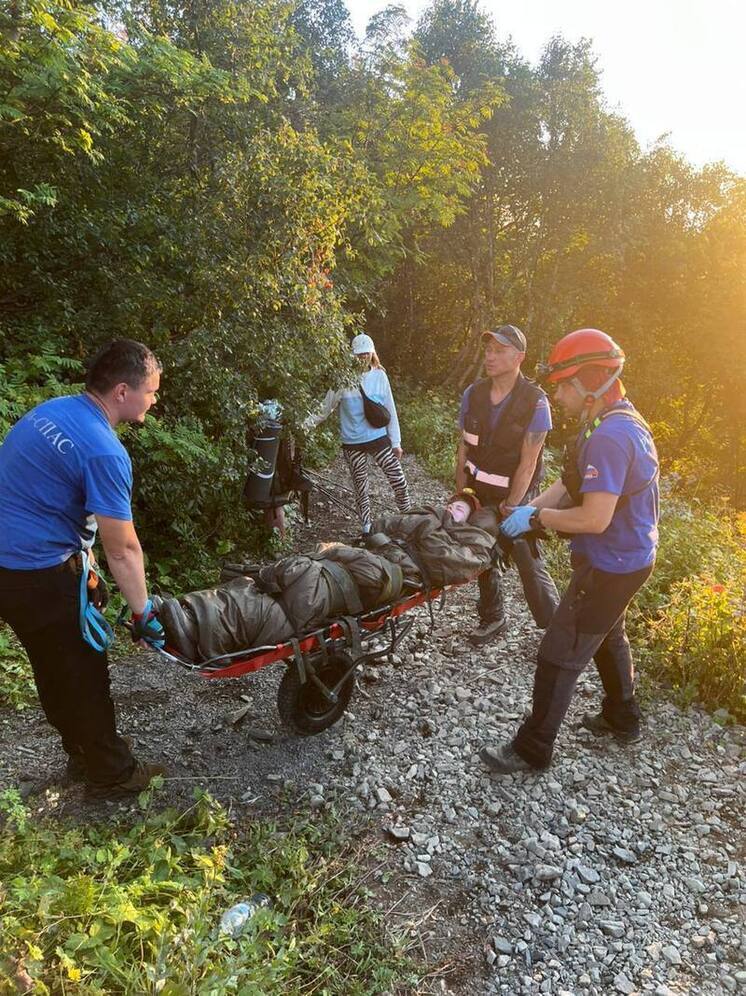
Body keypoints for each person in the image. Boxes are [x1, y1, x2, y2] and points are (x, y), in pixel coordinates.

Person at [479, 328, 659, 774]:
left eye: (563, 384)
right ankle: (623, 718)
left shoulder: (611, 437)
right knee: (608, 635)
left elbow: (593, 518)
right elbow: (570, 484)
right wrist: (522, 512)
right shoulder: (612, 419)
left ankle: (532, 748)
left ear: (589, 381)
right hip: (630, 557)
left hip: (611, 564)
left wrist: (538, 521)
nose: (557, 394)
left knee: (558, 653)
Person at [0, 339, 167, 798]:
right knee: (84, 674)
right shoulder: (104, 451)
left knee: (51, 666)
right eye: (150, 392)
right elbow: (125, 549)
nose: (154, 399)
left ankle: (81, 751)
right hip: (40, 574)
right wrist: (142, 612)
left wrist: (82, 556)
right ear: (121, 391)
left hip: (8, 571)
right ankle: (111, 774)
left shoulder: (53, 411)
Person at [456, 324, 559, 645]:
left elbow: (529, 462)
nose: (490, 356)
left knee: (527, 557)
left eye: (499, 351)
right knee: (479, 544)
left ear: (519, 357)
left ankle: (556, 630)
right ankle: (493, 615)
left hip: (516, 494)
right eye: (488, 350)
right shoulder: (473, 395)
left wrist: (511, 507)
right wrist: (461, 492)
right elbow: (463, 448)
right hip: (478, 489)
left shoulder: (536, 402)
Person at [305, 333, 411, 536]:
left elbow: (391, 408)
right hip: (353, 442)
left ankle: (408, 518)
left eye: (366, 354)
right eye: (358, 355)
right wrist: (302, 427)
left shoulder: (380, 375)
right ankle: (366, 529)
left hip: (378, 439)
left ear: (372, 354)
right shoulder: (343, 380)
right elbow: (324, 409)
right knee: (360, 486)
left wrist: (396, 442)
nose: (362, 358)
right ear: (352, 356)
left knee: (398, 478)